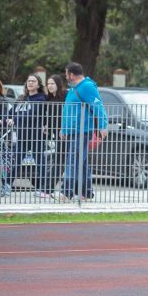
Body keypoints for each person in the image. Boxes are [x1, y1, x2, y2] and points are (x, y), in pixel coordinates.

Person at [55, 62, 108, 201]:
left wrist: (103, 125)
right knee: (81, 162)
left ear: (71, 74)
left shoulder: (87, 86)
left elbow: (98, 106)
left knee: (73, 160)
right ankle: (87, 192)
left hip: (82, 131)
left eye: (66, 74)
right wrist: (64, 128)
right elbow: (69, 110)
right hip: (73, 130)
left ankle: (66, 192)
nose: (66, 76)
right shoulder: (74, 88)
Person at [8, 73, 47, 196]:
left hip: (36, 137)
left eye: (33, 81)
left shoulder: (41, 98)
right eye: (29, 81)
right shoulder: (22, 98)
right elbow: (11, 112)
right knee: (15, 161)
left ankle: (43, 189)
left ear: (38, 84)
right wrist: (5, 119)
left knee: (40, 163)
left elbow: (31, 114)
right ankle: (7, 185)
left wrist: (15, 119)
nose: (30, 83)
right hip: (21, 136)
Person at [35, 74, 67, 197]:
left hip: (66, 133)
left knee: (60, 161)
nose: (49, 86)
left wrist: (64, 128)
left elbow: (68, 114)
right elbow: (50, 115)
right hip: (57, 135)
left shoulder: (65, 96)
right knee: (69, 161)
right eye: (48, 83)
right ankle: (86, 191)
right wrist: (47, 125)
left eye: (52, 83)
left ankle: (47, 190)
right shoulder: (49, 98)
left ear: (58, 84)